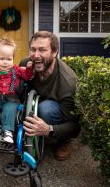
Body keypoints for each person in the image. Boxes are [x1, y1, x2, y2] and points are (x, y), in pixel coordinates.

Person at [21, 31, 80, 161]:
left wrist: (48, 130)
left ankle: (63, 142)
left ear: (54, 52)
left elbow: (75, 127)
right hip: (34, 105)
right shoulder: (26, 64)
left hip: (52, 109)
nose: (36, 55)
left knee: (46, 108)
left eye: (42, 50)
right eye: (33, 49)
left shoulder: (68, 82)